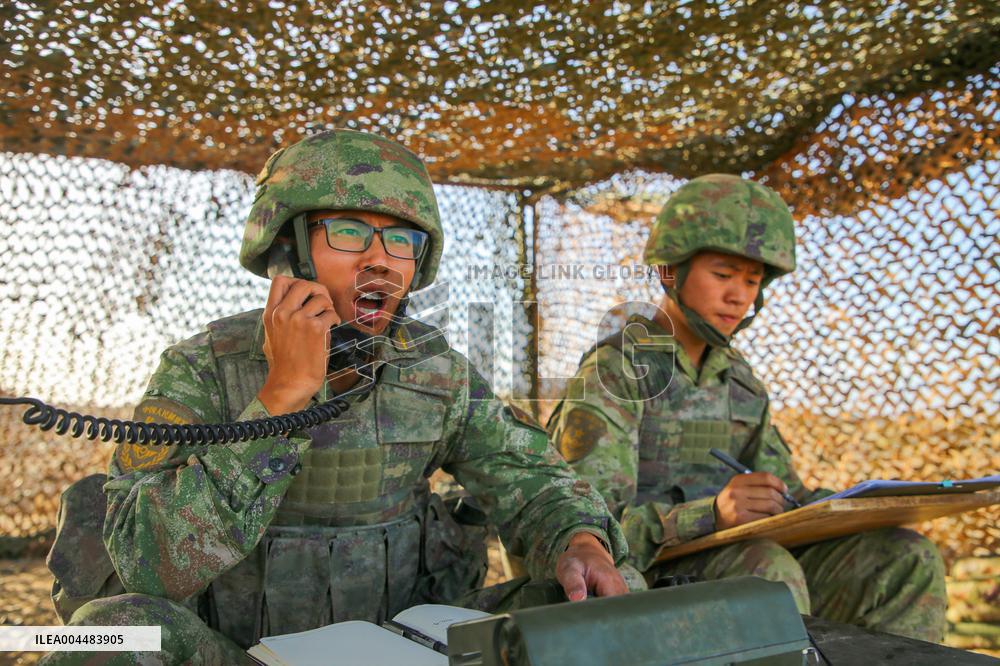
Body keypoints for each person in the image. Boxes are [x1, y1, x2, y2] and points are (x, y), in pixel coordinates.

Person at [43, 129, 628, 664]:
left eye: (401, 240)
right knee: (105, 634)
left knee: (608, 587)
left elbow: (531, 476)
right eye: (349, 231)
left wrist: (580, 541)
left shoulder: (435, 371)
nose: (379, 259)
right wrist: (282, 398)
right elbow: (150, 566)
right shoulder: (204, 368)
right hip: (239, 655)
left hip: (409, 647)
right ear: (290, 251)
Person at [547, 174, 947, 642]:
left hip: (739, 565)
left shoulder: (741, 381)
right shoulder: (617, 371)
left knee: (903, 558)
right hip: (643, 580)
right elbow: (584, 528)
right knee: (766, 572)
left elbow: (786, 495)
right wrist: (710, 514)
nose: (740, 295)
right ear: (669, 271)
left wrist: (860, 506)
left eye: (753, 280)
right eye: (722, 275)